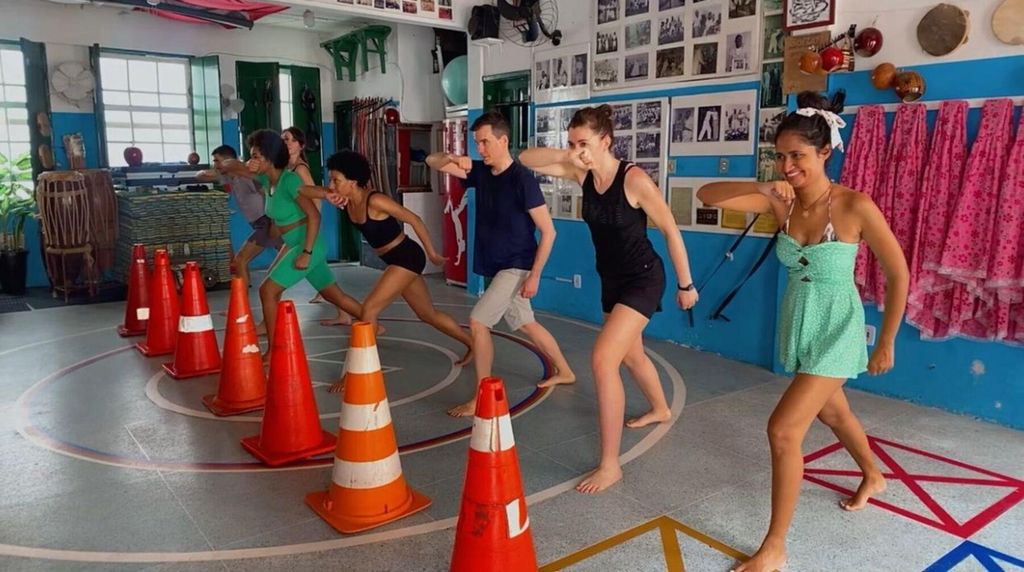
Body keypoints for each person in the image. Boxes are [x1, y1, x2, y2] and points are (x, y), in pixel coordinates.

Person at [695, 92, 909, 572]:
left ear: (824, 153)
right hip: (800, 324)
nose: (788, 166)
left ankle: (775, 546)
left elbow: (899, 273)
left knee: (783, 430)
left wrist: (887, 340)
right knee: (833, 412)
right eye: (781, 156)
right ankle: (873, 475)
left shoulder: (855, 205)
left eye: (798, 156)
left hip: (838, 328)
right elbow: (708, 194)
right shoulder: (782, 201)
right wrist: (765, 186)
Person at [518, 105, 698, 495]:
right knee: (632, 355)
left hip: (644, 278)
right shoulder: (580, 174)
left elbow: (671, 231)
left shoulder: (634, 180)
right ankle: (660, 408)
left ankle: (610, 464)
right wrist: (568, 155)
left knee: (603, 359)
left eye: (584, 143)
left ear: (606, 141)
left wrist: (686, 285)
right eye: (572, 143)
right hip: (611, 280)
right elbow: (526, 158)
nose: (578, 151)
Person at [426, 111, 576, 417]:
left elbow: (549, 231)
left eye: (485, 142)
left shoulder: (523, 180)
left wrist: (535, 275)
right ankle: (565, 371)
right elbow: (432, 161)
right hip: (498, 266)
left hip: (517, 266)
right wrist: (453, 157)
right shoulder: (480, 172)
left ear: (503, 140)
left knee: (479, 322)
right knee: (526, 323)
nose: (480, 149)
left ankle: (481, 397)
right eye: (477, 143)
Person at [300, 150, 474, 388]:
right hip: (394, 260)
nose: (331, 185)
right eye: (331, 180)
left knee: (369, 309)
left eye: (336, 180)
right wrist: (328, 195)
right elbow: (303, 190)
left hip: (407, 256)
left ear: (353, 181)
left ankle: (355, 372)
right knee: (427, 314)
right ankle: (473, 343)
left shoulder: (375, 201)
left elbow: (414, 219)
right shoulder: (343, 197)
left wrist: (432, 253)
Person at [245, 129, 364, 354]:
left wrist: (306, 253)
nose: (252, 161)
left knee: (267, 291)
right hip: (297, 244)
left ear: (269, 158)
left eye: (256, 156)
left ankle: (274, 352)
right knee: (334, 296)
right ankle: (373, 323)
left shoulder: (290, 178)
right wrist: (243, 164)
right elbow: (237, 168)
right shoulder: (267, 180)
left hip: (308, 246)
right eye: (251, 156)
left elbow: (313, 209)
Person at [285, 126, 353, 326]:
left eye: (290, 139)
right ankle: (342, 311)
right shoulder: (288, 169)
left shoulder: (300, 168)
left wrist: (311, 222)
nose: (287, 143)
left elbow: (315, 195)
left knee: (304, 269)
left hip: (306, 227)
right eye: (284, 140)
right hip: (298, 227)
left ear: (301, 145)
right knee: (321, 275)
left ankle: (350, 312)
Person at [196, 144, 281, 296]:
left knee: (240, 260)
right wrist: (210, 170)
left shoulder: (247, 177)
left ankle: (242, 303)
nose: (215, 164)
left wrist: (274, 223)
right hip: (259, 224)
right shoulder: (230, 176)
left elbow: (270, 195)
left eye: (217, 161)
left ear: (229, 161)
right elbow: (200, 176)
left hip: (267, 222)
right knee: (291, 255)